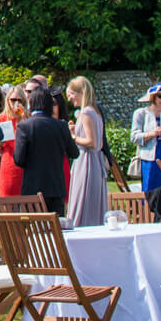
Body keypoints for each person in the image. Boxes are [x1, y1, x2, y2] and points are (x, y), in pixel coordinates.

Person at [10, 84, 73, 216]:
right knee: (57, 232)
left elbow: (19, 160)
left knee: (34, 232)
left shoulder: (24, 126)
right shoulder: (61, 125)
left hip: (33, 188)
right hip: (56, 187)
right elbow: (74, 153)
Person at [64, 77, 108, 227]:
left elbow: (92, 142)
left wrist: (73, 137)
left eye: (71, 94)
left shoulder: (86, 113)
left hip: (87, 162)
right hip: (93, 160)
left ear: (80, 92)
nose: (69, 99)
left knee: (83, 199)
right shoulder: (95, 112)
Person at [0, 87, 28, 198]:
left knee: (26, 202)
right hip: (9, 164)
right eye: (13, 100)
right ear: (8, 100)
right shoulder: (1, 119)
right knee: (7, 199)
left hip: (25, 166)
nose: (16, 103)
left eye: (20, 100)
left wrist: (25, 119)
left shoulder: (29, 118)